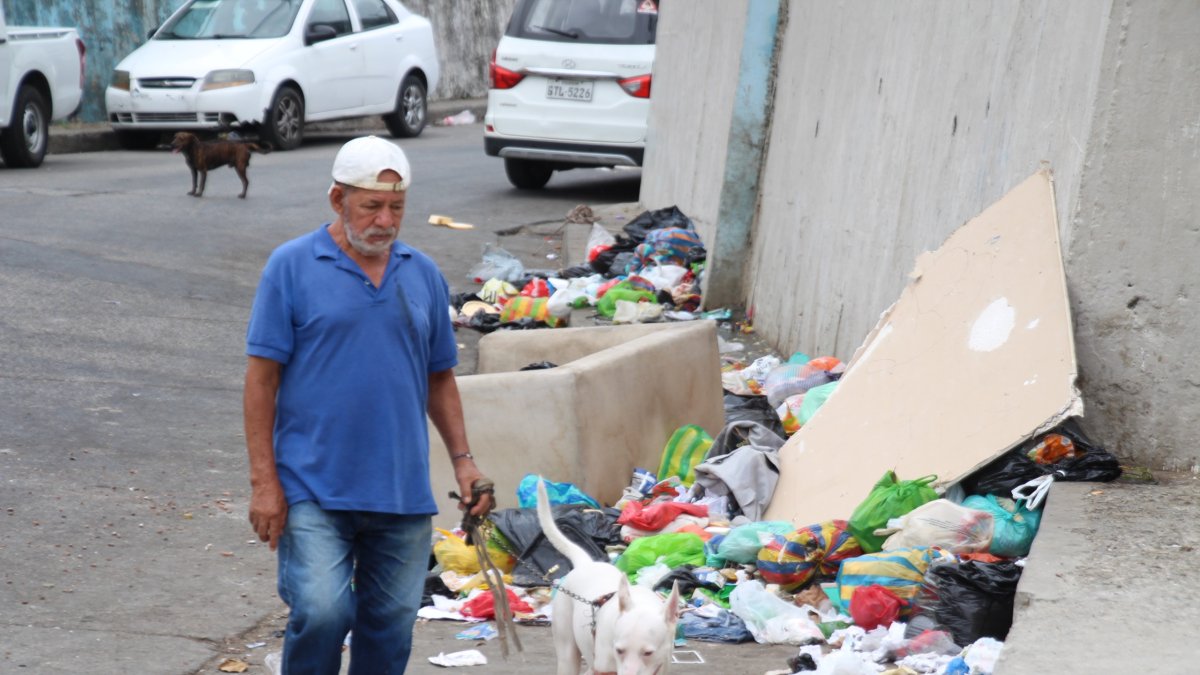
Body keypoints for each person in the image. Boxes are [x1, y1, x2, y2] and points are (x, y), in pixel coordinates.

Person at [243, 135, 493, 674]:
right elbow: (261, 382)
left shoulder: (422, 273)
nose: (385, 220)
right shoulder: (291, 266)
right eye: (371, 206)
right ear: (337, 201)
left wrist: (464, 461)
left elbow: (440, 378)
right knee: (322, 609)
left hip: (399, 491)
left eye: (396, 207)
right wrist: (265, 483)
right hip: (312, 485)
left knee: (391, 621)